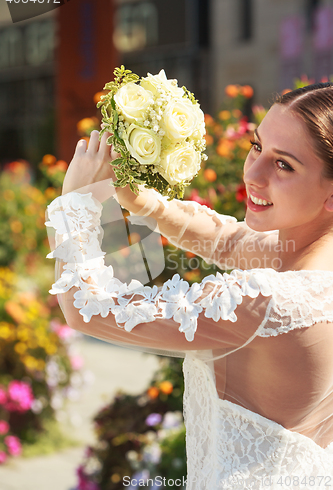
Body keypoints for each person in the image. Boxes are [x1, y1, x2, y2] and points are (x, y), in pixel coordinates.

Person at [46, 83, 333, 489]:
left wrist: (75, 202)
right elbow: (227, 240)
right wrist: (139, 198)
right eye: (256, 146)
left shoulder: (268, 302)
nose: (253, 173)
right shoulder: (312, 267)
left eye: (284, 165)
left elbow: (87, 308)